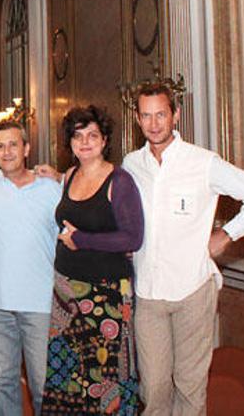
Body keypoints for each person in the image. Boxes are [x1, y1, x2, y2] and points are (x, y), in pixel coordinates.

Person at [122, 84, 244, 416]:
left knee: (191, 387)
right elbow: (104, 196)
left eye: (161, 114)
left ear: (175, 115)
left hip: (193, 288)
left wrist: (226, 234)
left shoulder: (203, 162)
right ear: (137, 119)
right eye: (146, 116)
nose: (154, 124)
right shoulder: (131, 164)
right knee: (153, 389)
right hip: (148, 293)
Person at [40, 105, 144, 414]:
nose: (85, 141)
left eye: (92, 135)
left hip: (107, 293)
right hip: (66, 290)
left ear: (104, 139)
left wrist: (81, 239)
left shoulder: (120, 181)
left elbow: (132, 238)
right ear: (69, 142)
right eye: (77, 135)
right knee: (69, 373)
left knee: (106, 373)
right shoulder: (69, 175)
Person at [0, 121, 60, 415]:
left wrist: (61, 174)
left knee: (43, 385)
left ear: (27, 148)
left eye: (13, 144)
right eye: (0, 146)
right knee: (3, 382)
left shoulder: (52, 188)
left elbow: (88, 187)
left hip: (40, 302)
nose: (7, 152)